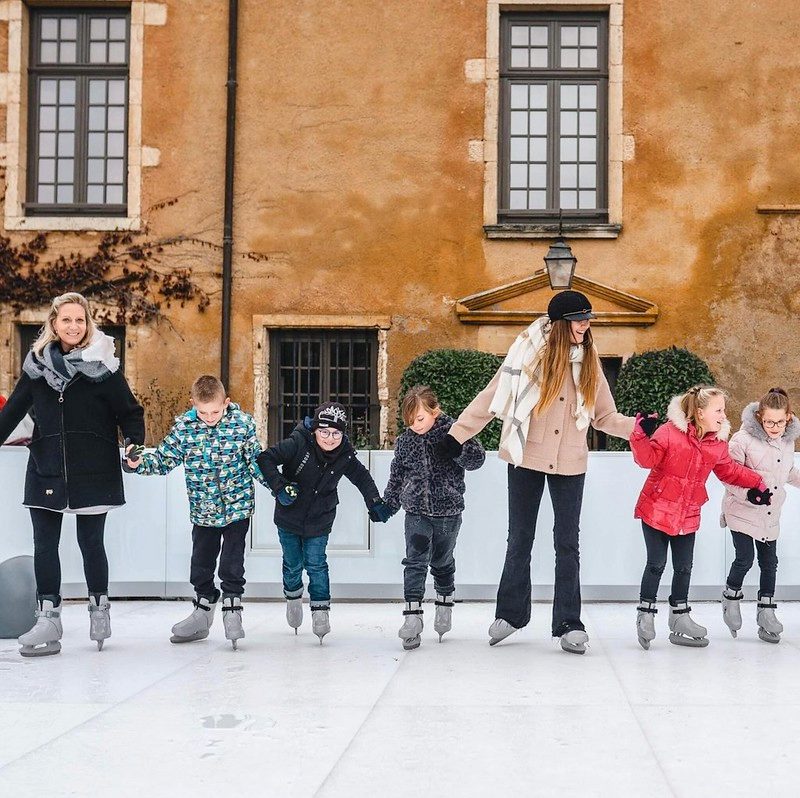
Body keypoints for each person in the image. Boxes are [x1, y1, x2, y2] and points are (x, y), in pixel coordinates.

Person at [442, 290, 636, 654]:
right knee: (520, 538)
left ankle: (569, 623)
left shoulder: (590, 362)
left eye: (588, 318)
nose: (586, 325)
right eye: (579, 319)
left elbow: (605, 416)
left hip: (570, 462)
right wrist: (457, 434)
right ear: (561, 324)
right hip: (525, 457)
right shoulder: (528, 355)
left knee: (567, 543)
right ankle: (511, 615)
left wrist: (639, 428)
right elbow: (491, 397)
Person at [0, 292, 144, 657]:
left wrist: (132, 444)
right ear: (53, 323)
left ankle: (99, 607)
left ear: (88, 324)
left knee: (91, 543)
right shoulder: (36, 368)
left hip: (93, 469)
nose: (73, 327)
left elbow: (130, 412)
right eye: (66, 320)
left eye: (80, 320)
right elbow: (13, 411)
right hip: (47, 466)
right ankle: (48, 616)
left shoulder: (105, 368)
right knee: (44, 545)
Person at [124, 375, 265, 650]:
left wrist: (279, 485)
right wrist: (137, 463)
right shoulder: (185, 428)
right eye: (203, 412)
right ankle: (203, 610)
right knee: (200, 564)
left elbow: (256, 463)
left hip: (238, 507)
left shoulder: (242, 425)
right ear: (193, 405)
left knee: (231, 563)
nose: (209, 417)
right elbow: (164, 460)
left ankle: (232, 609)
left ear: (226, 403)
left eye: (215, 411)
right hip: (203, 509)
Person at [630, 385, 770, 649]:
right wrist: (640, 434)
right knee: (656, 564)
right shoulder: (669, 433)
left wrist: (757, 483)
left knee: (684, 567)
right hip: (657, 509)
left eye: (723, 410)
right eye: (718, 410)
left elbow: (729, 471)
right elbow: (646, 460)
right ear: (700, 412)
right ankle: (646, 615)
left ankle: (680, 617)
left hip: (687, 513)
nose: (723, 415)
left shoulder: (716, 444)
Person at [257, 402, 392, 643]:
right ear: (315, 430)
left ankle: (321, 611)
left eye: (336, 433)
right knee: (293, 564)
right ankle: (293, 596)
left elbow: (362, 477)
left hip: (320, 517)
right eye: (324, 432)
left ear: (343, 434)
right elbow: (266, 459)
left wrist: (375, 502)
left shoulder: (345, 455)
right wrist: (279, 488)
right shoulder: (298, 443)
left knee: (317, 563)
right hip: (289, 516)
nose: (330, 438)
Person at [383, 385, 485, 650]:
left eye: (420, 419)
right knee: (415, 562)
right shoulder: (406, 441)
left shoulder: (453, 431)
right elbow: (397, 475)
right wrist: (389, 504)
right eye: (410, 421)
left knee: (441, 561)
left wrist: (457, 449)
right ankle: (413, 617)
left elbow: (477, 459)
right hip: (415, 510)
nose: (415, 425)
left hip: (448, 511)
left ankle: (444, 600)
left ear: (434, 411)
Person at [720, 387, 800, 643]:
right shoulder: (741, 440)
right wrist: (749, 494)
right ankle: (730, 597)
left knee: (770, 562)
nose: (774, 427)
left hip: (769, 512)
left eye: (779, 421)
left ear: (788, 417)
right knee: (744, 559)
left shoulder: (787, 440)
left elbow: (787, 472)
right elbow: (728, 475)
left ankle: (766, 611)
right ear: (759, 417)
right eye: (768, 421)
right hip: (742, 510)